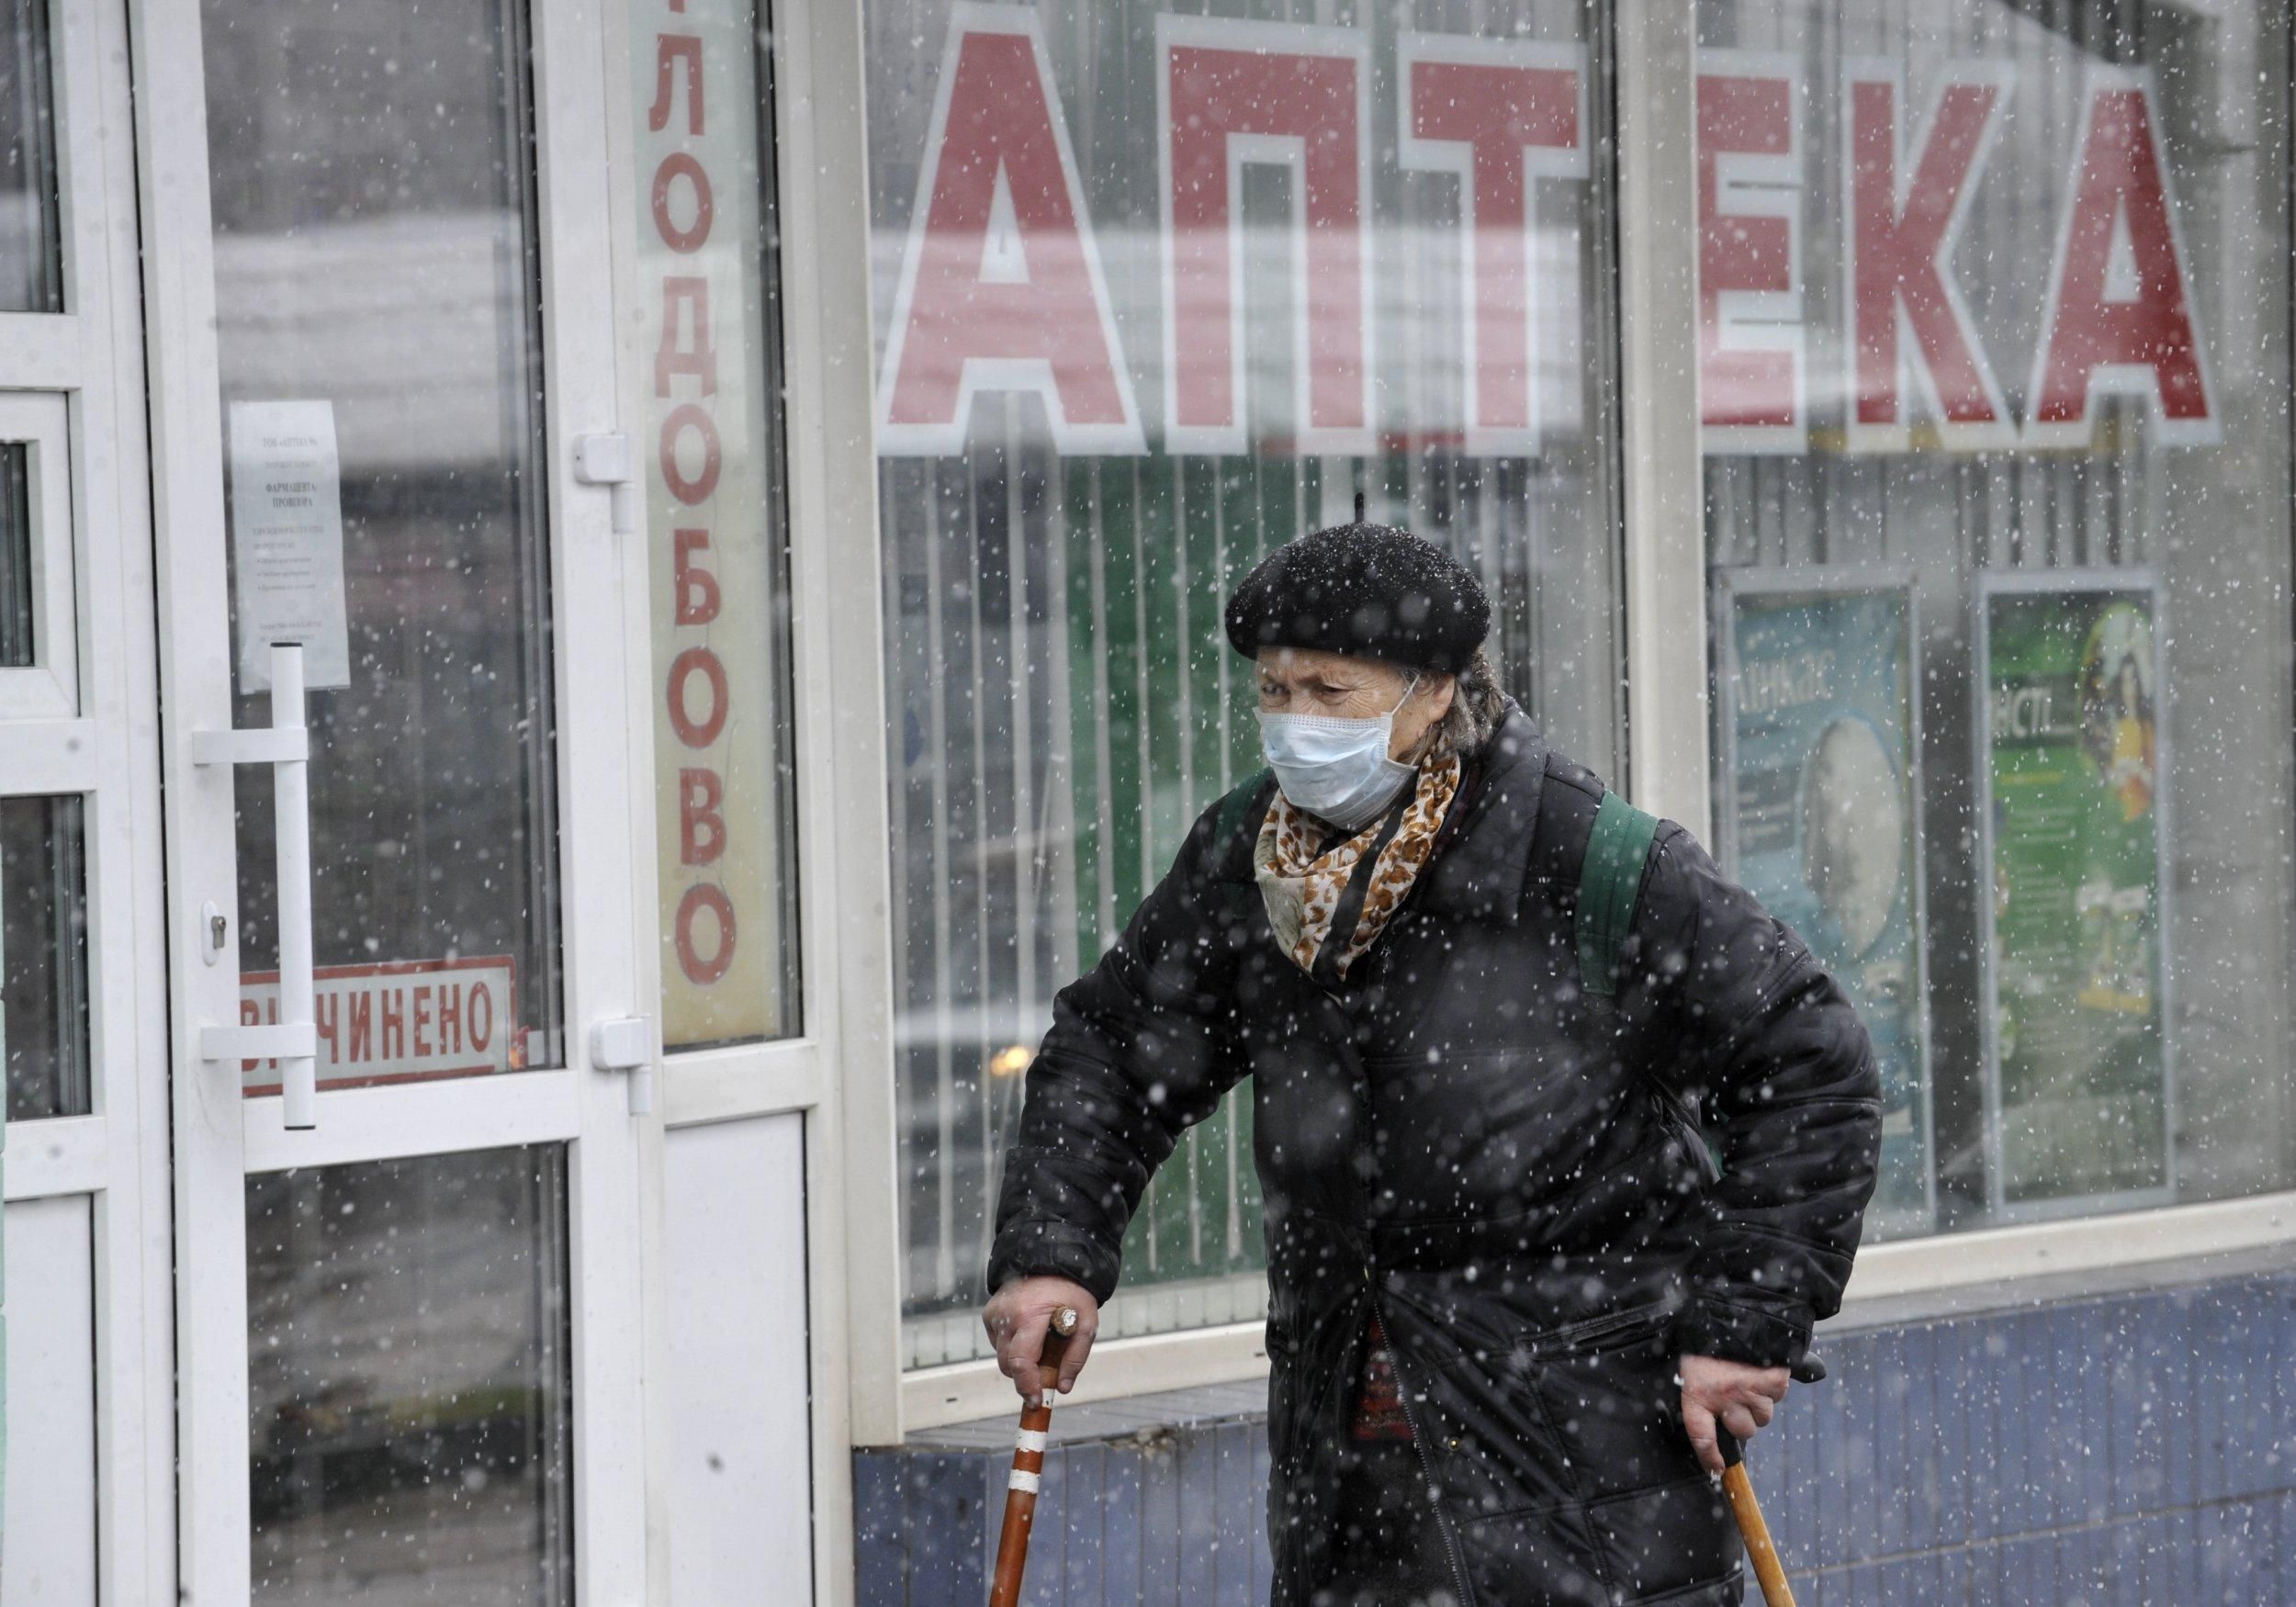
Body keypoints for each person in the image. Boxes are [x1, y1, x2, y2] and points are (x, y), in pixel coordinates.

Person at [983, 521, 1882, 1606]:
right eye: (1272, 690)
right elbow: (1114, 1051)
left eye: (1329, 690)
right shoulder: (1248, 861)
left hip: (1584, 1471)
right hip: (1347, 1475)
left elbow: (1807, 1063)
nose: (1292, 724)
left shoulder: (1584, 859)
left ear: (1433, 693)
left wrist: (1741, 1322)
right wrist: (1053, 1251)